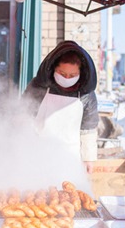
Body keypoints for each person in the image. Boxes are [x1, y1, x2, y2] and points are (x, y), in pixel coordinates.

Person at [22, 40, 98, 173]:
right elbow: (22, 115)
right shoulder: (39, 87)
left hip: (69, 156)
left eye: (72, 75)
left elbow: (88, 129)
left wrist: (88, 158)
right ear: (53, 69)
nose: (67, 78)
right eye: (62, 74)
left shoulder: (86, 94)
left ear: (81, 73)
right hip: (37, 153)